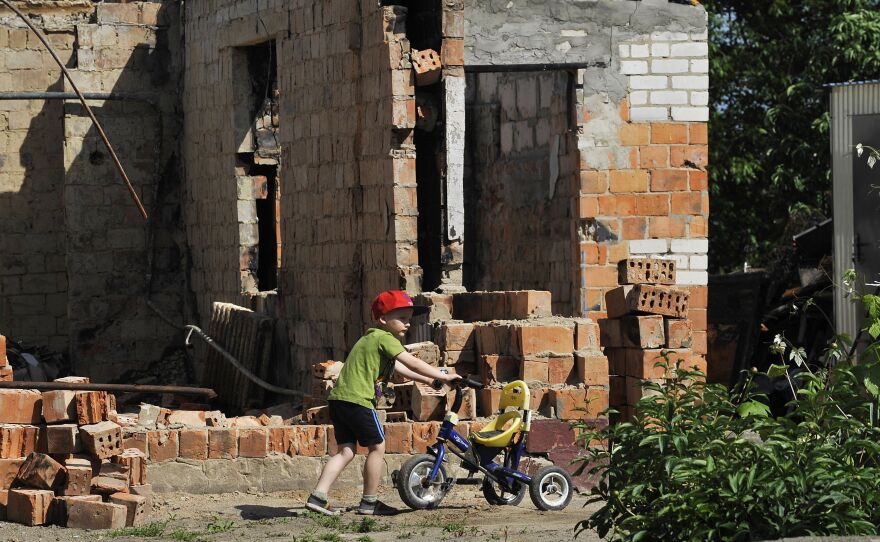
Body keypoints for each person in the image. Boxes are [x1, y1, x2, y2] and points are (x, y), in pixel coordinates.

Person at [306, 290, 460, 516]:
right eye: (402, 318)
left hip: (339, 401)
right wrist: (444, 375)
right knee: (377, 447)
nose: (407, 324)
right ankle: (369, 502)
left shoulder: (369, 339)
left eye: (409, 319)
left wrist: (429, 379)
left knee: (346, 451)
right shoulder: (385, 338)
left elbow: (401, 369)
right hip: (358, 400)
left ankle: (318, 497)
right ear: (382, 319)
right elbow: (411, 362)